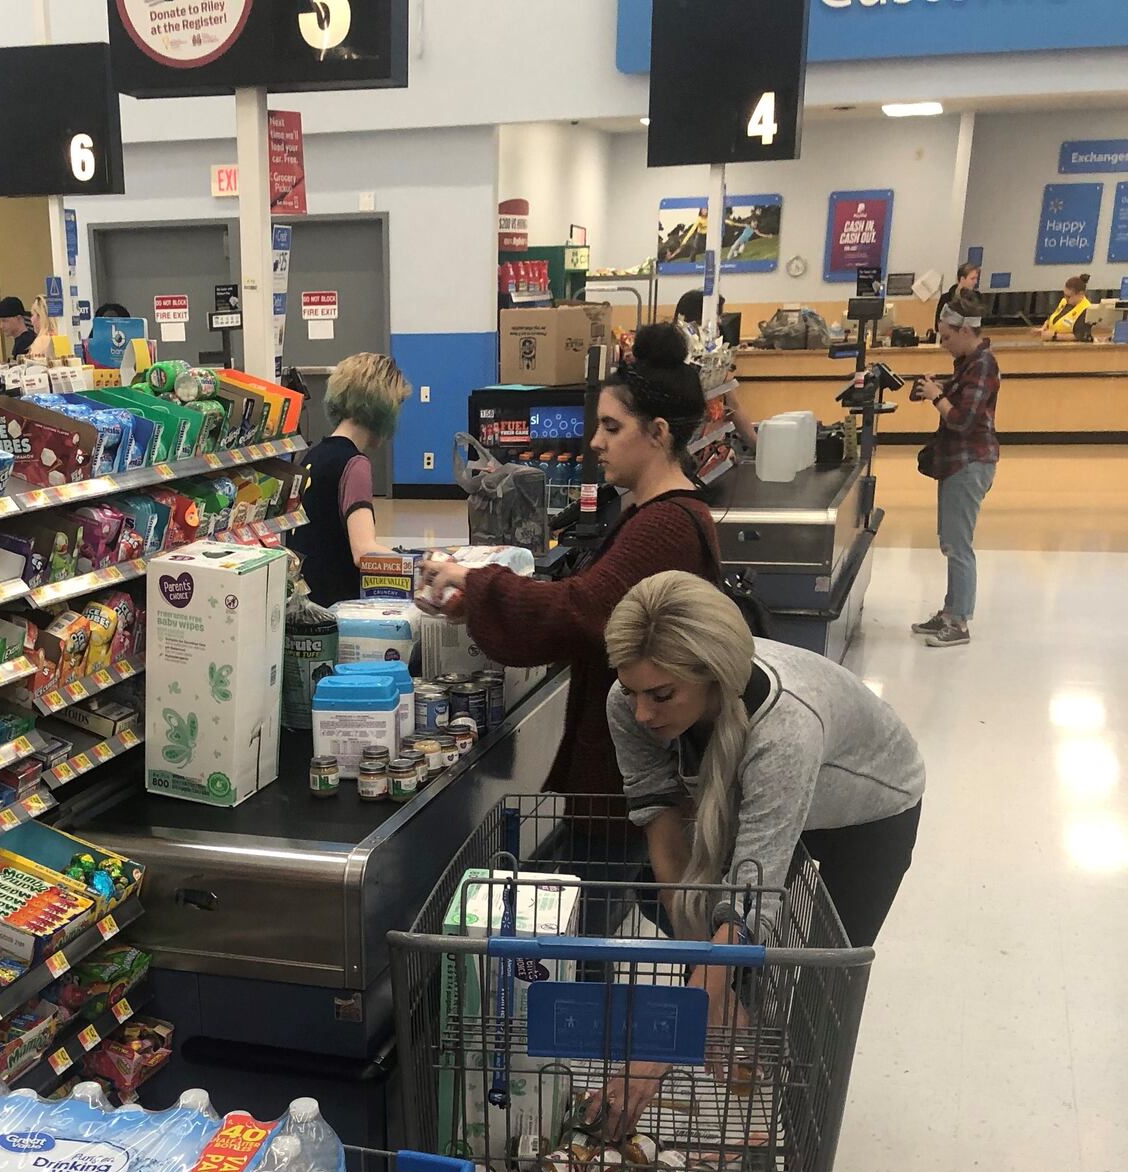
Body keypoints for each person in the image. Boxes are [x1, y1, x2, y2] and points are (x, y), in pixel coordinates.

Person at [594, 570, 925, 1125]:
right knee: (720, 957)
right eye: (632, 691)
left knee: (820, 975)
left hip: (866, 806)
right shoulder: (629, 703)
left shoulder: (785, 727)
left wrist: (662, 1045)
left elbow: (752, 901)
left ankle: (794, 1131)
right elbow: (664, 832)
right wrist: (707, 995)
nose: (643, 713)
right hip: (754, 790)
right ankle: (740, 1050)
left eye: (661, 695)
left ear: (714, 678)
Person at [418, 324, 720, 795]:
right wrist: (473, 605)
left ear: (658, 433)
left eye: (612, 427)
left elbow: (580, 611)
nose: (596, 441)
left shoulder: (666, 526)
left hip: (640, 776)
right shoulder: (656, 511)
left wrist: (473, 581)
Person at [288, 351, 411, 607]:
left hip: (306, 602)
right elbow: (363, 551)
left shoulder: (314, 456)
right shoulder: (354, 464)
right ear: (383, 406)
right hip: (338, 608)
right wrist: (421, 565)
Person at [910, 302, 999, 649]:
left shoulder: (984, 364)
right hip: (956, 462)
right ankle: (949, 611)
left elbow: (961, 420)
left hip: (970, 462)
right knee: (950, 540)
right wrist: (939, 389)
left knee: (958, 545)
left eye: (947, 337)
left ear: (966, 331)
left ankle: (959, 621)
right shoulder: (967, 364)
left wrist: (937, 397)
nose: (942, 343)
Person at [672, 289, 756, 445]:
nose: (719, 321)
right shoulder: (674, 352)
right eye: (716, 315)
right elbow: (735, 406)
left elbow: (734, 405)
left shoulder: (713, 356)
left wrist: (759, 449)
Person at [934, 261, 981, 338]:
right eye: (972, 278)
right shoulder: (946, 298)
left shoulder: (977, 297)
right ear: (962, 279)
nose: (975, 282)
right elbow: (938, 324)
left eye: (976, 278)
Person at [1040, 275, 1092, 340]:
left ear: (1081, 294)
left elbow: (1080, 335)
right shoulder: (1064, 302)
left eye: (1069, 296)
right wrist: (1044, 327)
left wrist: (1055, 336)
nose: (1065, 298)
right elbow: (1053, 318)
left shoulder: (1086, 310)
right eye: (1064, 295)